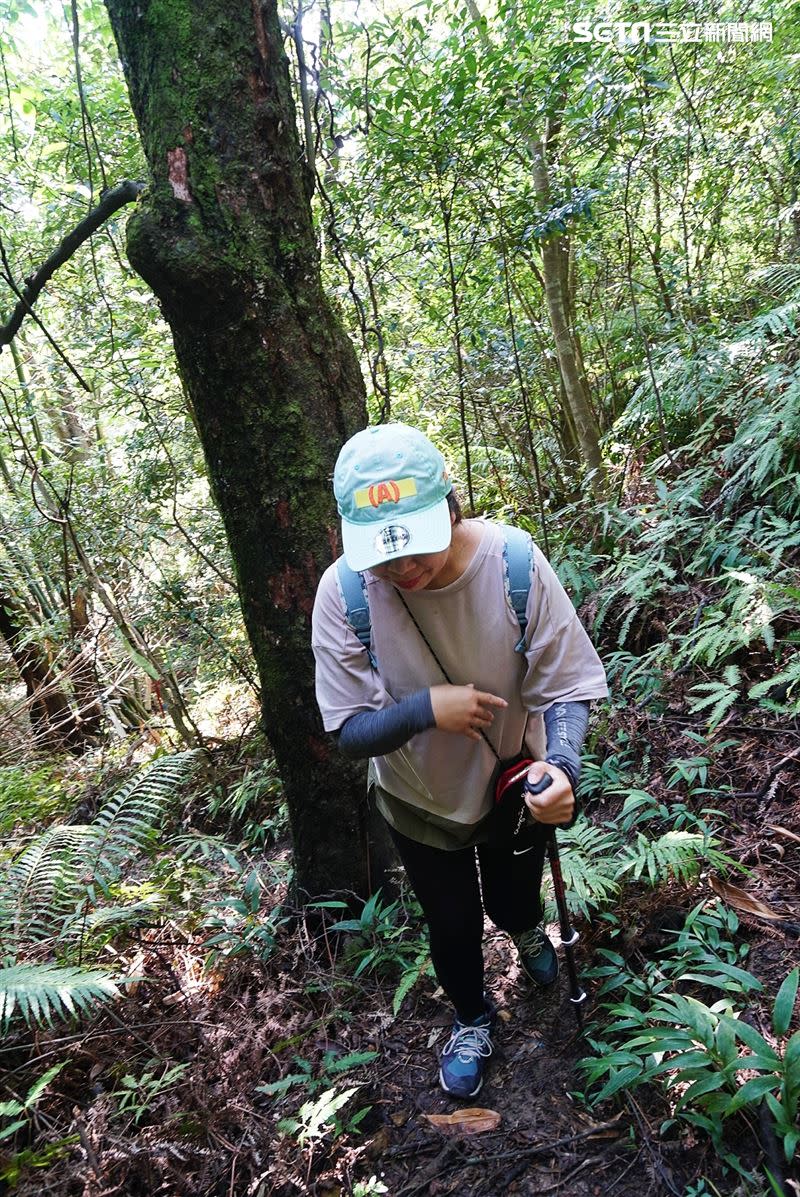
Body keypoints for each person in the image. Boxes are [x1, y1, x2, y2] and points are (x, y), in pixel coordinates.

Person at [311, 423, 608, 1099]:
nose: (402, 569)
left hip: (511, 782)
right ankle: (472, 1015)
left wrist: (562, 766)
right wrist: (426, 708)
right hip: (419, 797)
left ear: (452, 505)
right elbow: (351, 731)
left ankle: (528, 930)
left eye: (414, 544)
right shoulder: (344, 595)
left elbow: (567, 683)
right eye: (383, 555)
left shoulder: (515, 565)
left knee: (508, 898)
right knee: (450, 922)